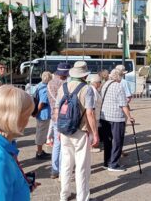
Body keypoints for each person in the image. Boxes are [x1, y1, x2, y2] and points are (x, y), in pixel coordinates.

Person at [55, 61, 99, 201]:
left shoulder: (63, 87)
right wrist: (95, 134)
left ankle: (64, 195)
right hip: (80, 131)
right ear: (85, 75)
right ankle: (82, 197)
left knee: (66, 164)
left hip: (65, 130)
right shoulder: (87, 89)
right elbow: (90, 114)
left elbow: (57, 111)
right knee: (82, 166)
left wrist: (59, 130)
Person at [100, 69, 135, 172]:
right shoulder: (118, 86)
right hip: (116, 117)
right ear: (119, 77)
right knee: (118, 140)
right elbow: (123, 104)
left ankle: (107, 162)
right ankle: (114, 164)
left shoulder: (105, 84)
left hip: (105, 116)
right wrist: (129, 116)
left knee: (108, 141)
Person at [47, 63, 71, 179]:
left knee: (57, 144)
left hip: (54, 116)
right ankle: (62, 171)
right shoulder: (64, 84)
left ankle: (54, 170)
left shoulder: (50, 83)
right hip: (64, 116)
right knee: (64, 145)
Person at [34, 71, 52, 160]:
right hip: (43, 114)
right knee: (41, 133)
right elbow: (42, 103)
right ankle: (40, 152)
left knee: (40, 132)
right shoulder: (45, 89)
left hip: (40, 115)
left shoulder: (39, 86)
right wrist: (37, 112)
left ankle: (39, 151)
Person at [89, 74, 103, 153]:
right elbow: (93, 104)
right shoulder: (93, 90)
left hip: (96, 114)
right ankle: (91, 146)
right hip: (94, 115)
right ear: (95, 82)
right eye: (99, 82)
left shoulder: (94, 90)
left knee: (93, 130)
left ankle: (92, 145)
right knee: (92, 130)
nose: (100, 84)